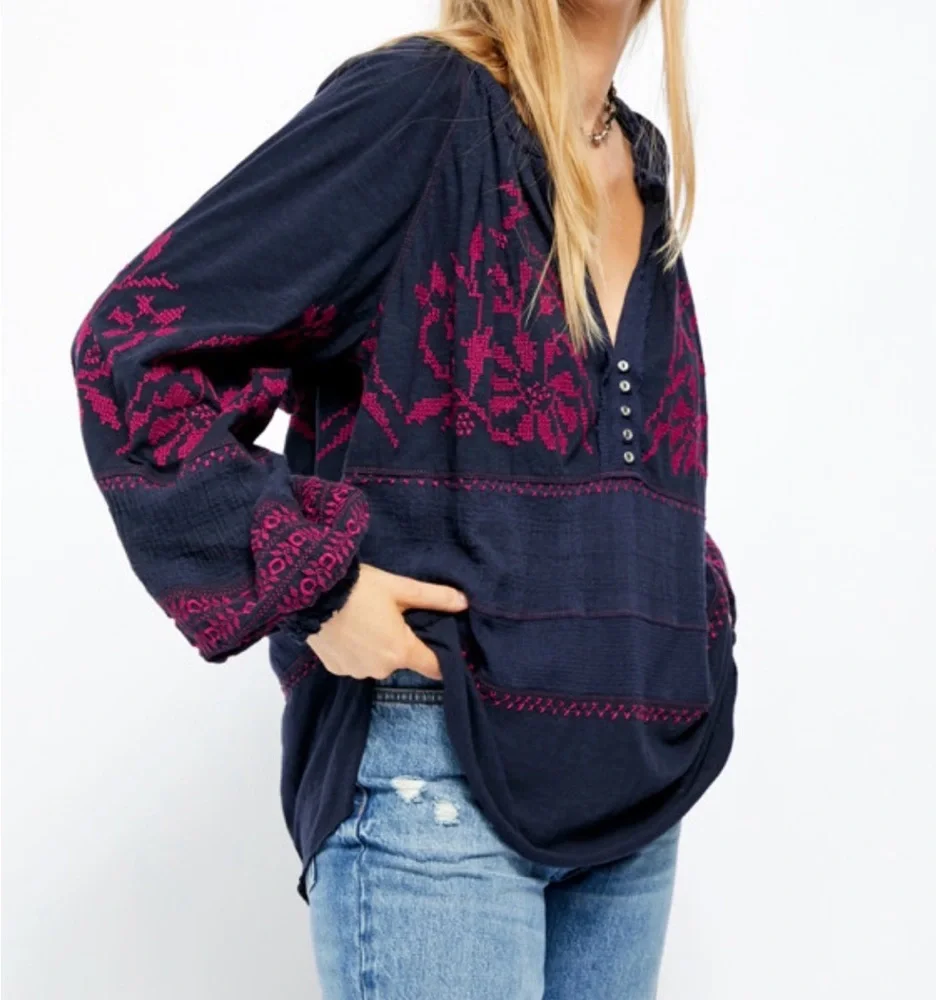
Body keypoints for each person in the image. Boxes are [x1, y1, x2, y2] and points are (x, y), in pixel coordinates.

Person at [69, 1, 739, 996]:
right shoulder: (425, 108)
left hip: (637, 797)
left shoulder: (638, 162)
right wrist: (319, 587)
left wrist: (691, 614)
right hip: (440, 779)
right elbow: (133, 353)